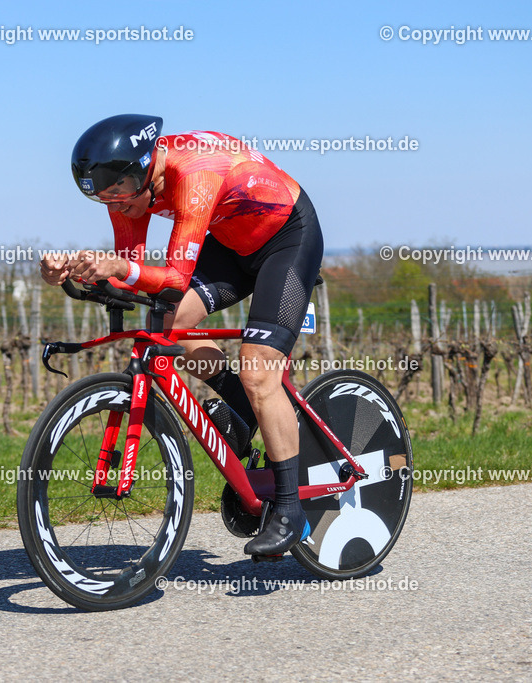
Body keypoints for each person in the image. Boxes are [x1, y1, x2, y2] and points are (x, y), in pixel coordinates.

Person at [40, 114, 324, 556]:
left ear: (148, 167)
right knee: (168, 323)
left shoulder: (195, 170)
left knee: (259, 371)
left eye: (122, 196)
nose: (118, 208)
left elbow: (172, 277)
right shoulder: (130, 193)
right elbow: (131, 280)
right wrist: (72, 275)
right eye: (106, 201)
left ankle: (290, 509)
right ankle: (243, 410)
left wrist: (118, 268)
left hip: (287, 240)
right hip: (232, 245)